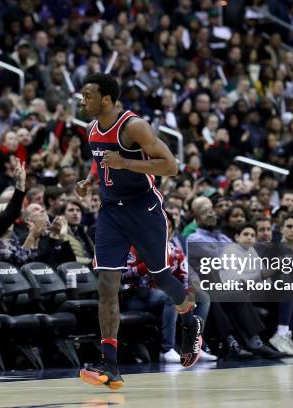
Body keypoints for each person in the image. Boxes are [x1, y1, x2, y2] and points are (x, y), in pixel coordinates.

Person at [77, 73, 201, 390]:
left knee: (161, 277)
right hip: (110, 213)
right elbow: (100, 160)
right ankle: (110, 365)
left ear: (107, 99)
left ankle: (189, 317)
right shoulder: (92, 130)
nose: (83, 100)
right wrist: (90, 181)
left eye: (88, 95)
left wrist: (126, 164)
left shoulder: (134, 126)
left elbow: (171, 166)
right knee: (106, 285)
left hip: (143, 209)